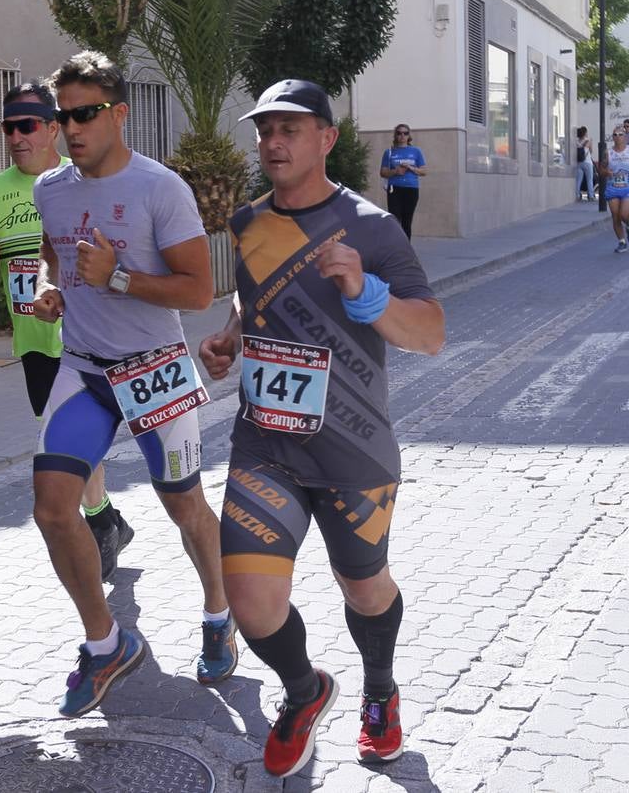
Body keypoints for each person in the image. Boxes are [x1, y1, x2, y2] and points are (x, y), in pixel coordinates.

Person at [198, 79, 445, 777]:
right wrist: (229, 339)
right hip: (264, 443)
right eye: (264, 131)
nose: (273, 143)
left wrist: (365, 292)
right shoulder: (247, 223)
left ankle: (379, 692)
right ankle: (304, 694)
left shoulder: (371, 228)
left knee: (363, 588)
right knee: (249, 600)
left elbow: (429, 334)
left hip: (352, 450)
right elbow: (260, 302)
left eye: (291, 129)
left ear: (326, 139)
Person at [29, 51, 234, 717]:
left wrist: (117, 276)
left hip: (154, 371)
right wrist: (49, 287)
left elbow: (199, 289)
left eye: (86, 113)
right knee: (53, 507)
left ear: (118, 114)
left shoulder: (160, 189)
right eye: (62, 116)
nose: (72, 127)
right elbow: (55, 254)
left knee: (184, 508)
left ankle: (218, 610)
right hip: (84, 369)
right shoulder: (50, 189)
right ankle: (104, 643)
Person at [0, 81, 133, 582]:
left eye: (28, 126)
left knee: (69, 442)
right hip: (33, 338)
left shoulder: (79, 178)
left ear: (52, 128)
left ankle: (99, 526)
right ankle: (105, 516)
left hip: (84, 338)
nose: (17, 136)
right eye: (8, 127)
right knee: (66, 439)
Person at [379, 124, 426, 239]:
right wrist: (396, 171)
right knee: (395, 221)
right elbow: (383, 172)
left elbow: (424, 171)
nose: (402, 136)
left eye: (405, 133)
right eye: (399, 133)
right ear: (395, 135)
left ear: (409, 136)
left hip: (411, 189)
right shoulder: (389, 152)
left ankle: (406, 251)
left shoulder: (416, 151)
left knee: (407, 221)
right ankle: (396, 249)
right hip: (394, 188)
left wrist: (411, 168)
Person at [600, 126, 629, 253]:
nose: (618, 137)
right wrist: (606, 172)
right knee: (615, 215)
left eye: (620, 134)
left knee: (624, 214)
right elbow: (601, 169)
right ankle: (622, 242)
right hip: (612, 187)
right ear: (612, 137)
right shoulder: (608, 153)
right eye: (615, 134)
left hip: (627, 187)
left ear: (625, 136)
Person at [575, 127, 595, 201]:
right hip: (587, 162)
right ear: (585, 133)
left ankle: (577, 195)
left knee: (578, 180)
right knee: (589, 180)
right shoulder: (588, 141)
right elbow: (591, 151)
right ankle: (590, 195)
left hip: (579, 162)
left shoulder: (576, 142)